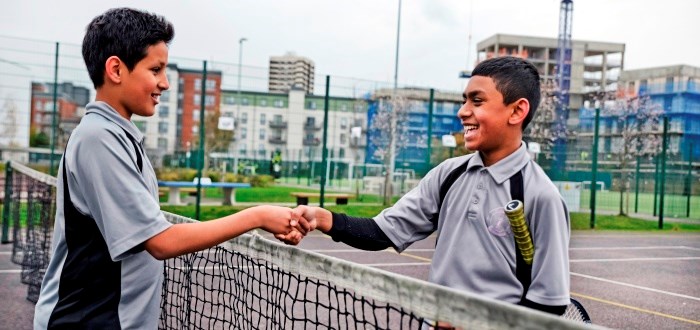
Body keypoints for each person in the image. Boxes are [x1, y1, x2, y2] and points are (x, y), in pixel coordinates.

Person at [34, 8, 308, 329]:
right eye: (156, 69)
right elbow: (162, 242)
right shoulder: (99, 138)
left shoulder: (118, 136)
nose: (165, 83)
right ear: (116, 69)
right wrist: (257, 216)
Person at [286, 56, 570, 315]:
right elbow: (382, 233)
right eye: (464, 100)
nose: (463, 111)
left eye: (477, 101)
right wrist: (325, 219)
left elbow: (549, 304)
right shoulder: (448, 174)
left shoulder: (542, 196)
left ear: (517, 111)